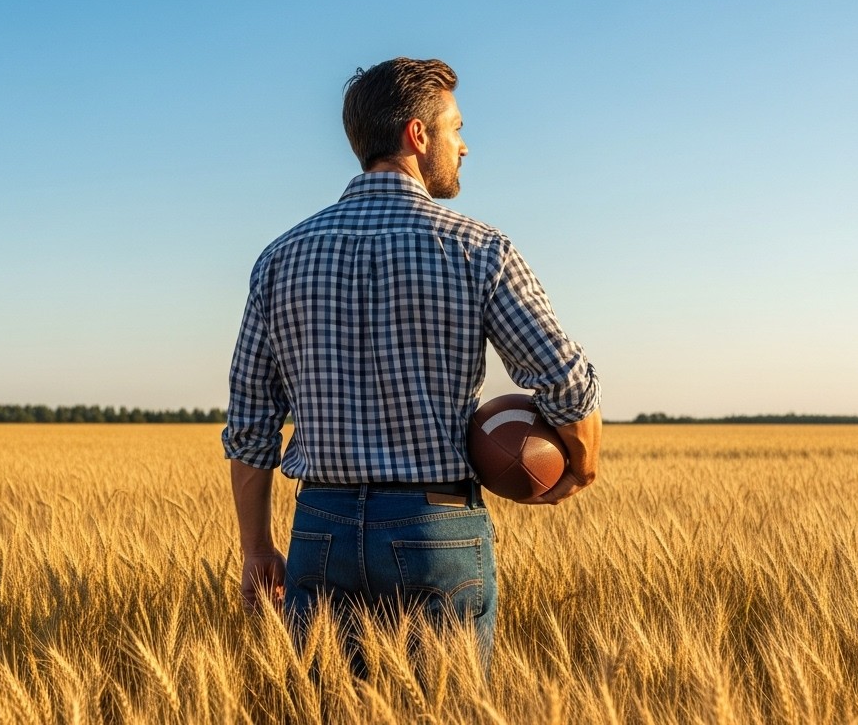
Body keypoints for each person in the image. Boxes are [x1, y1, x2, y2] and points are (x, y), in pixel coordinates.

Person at [221, 57, 602, 671]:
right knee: (446, 708)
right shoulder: (479, 249)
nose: (464, 145)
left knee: (327, 709)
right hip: (435, 527)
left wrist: (257, 549)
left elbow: (250, 426)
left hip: (320, 526)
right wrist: (581, 467)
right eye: (456, 128)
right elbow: (565, 382)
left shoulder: (279, 259)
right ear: (417, 135)